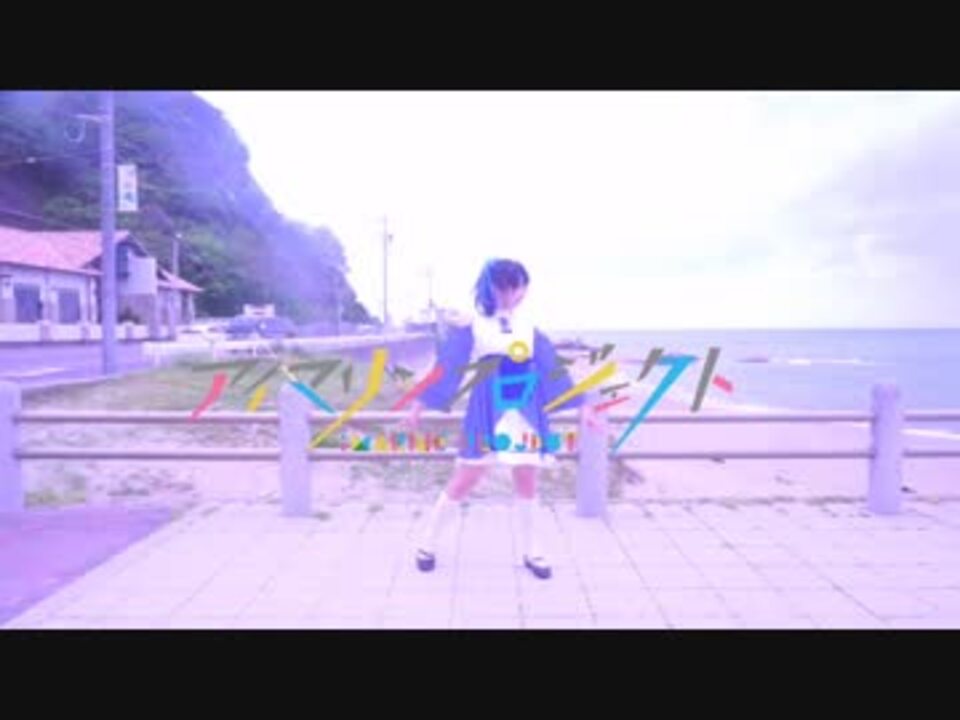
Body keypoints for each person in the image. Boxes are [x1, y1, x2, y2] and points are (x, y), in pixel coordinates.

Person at [407, 258, 596, 580]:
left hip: (526, 409)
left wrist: (584, 408)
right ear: (490, 287)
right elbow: (447, 366)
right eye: (504, 287)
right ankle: (427, 543)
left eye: (516, 287)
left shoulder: (530, 328)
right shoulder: (473, 325)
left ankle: (532, 550)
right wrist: (419, 404)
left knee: (527, 480)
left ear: (524, 289)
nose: (510, 294)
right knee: (467, 477)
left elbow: (553, 369)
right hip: (487, 409)